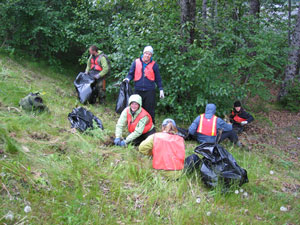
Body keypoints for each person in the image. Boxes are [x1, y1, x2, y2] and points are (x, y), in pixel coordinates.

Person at [123, 46, 164, 123]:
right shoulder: (136, 62)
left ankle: (151, 126)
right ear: (143, 53)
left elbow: (158, 78)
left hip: (150, 90)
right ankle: (135, 124)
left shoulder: (154, 65)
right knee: (136, 108)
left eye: (149, 54)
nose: (147, 55)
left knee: (150, 110)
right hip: (138, 90)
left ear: (151, 55)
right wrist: (127, 79)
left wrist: (161, 89)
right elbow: (130, 74)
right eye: (146, 53)